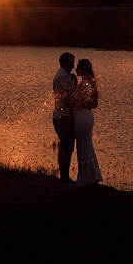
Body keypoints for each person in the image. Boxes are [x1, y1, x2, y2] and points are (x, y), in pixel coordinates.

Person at [72, 58, 102, 186]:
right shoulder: (90, 82)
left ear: (83, 69)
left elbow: (78, 102)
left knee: (83, 146)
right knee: (87, 145)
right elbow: (94, 104)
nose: (76, 69)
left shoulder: (84, 84)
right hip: (87, 117)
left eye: (78, 67)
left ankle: (85, 178)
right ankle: (92, 176)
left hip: (82, 117)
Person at [52, 52, 77, 184]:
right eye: (72, 62)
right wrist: (81, 104)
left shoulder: (65, 75)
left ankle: (64, 177)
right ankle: (65, 177)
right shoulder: (62, 76)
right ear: (66, 63)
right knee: (66, 146)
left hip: (61, 115)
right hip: (64, 117)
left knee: (65, 146)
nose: (73, 65)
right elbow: (68, 99)